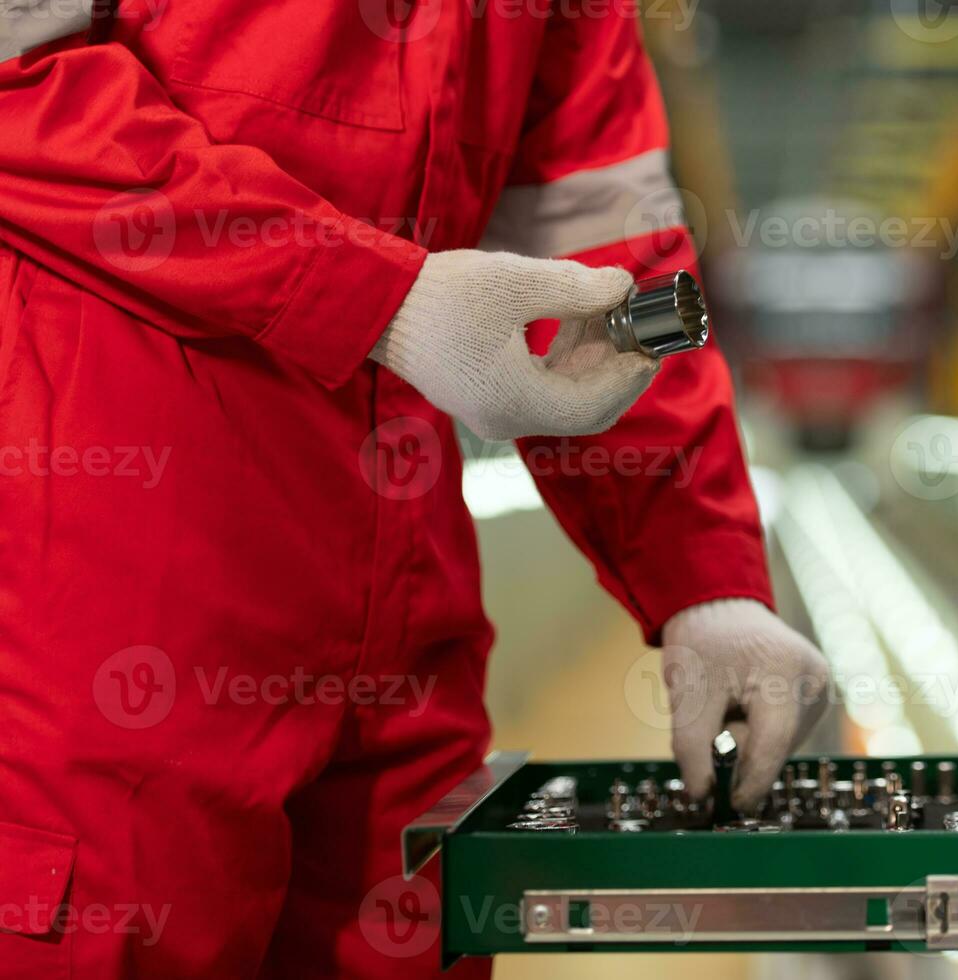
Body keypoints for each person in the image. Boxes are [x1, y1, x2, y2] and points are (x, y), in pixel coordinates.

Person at [0, 1, 829, 976]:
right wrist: (373, 295)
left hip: (401, 600)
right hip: (116, 569)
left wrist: (704, 578)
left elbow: (605, 241)